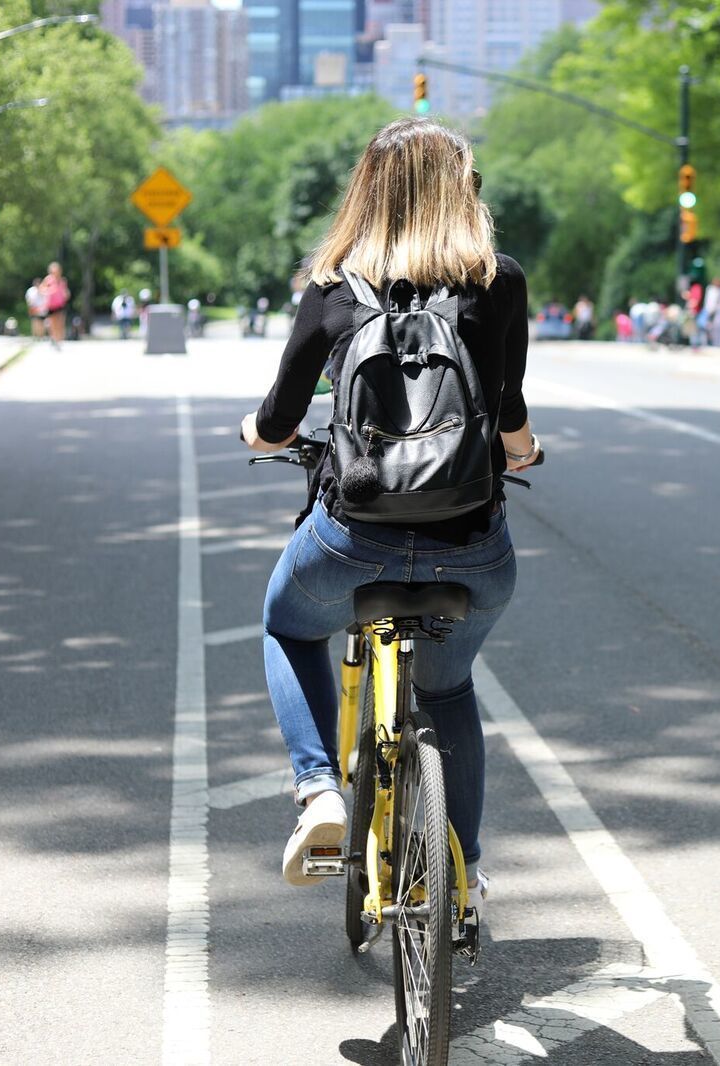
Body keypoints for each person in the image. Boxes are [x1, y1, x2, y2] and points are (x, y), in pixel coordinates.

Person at [240, 118, 539, 915]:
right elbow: (508, 412)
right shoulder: (498, 279)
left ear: (366, 193)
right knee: (447, 691)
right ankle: (462, 880)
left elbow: (278, 419)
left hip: (353, 538)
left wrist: (256, 435)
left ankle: (319, 794)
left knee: (287, 625)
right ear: (460, 189)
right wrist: (526, 450)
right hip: (471, 548)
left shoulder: (335, 285)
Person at [40, 262, 71, 348]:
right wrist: (49, 290)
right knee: (52, 323)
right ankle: (54, 339)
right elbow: (41, 289)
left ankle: (59, 340)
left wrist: (66, 294)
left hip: (60, 305)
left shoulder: (62, 280)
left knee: (60, 323)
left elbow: (65, 292)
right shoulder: (48, 280)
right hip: (51, 305)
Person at [702, 277, 720, 347]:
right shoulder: (711, 289)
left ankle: (717, 343)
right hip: (710, 311)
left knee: (718, 327)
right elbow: (708, 301)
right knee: (708, 326)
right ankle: (707, 342)